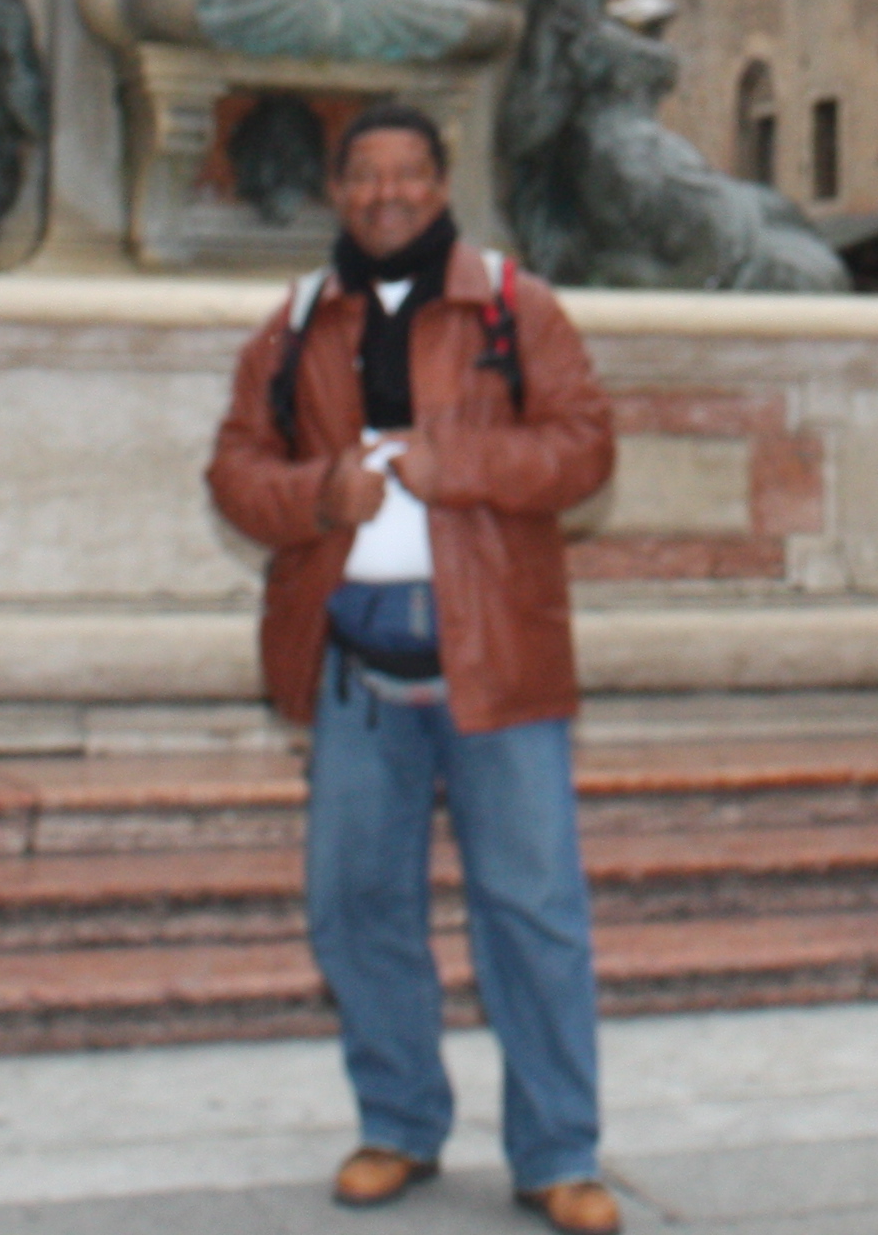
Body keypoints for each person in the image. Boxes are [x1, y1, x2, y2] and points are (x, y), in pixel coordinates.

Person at [204, 105, 621, 1231]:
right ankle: (397, 1123)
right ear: (339, 192)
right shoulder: (295, 322)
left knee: (530, 910)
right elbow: (236, 470)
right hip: (354, 666)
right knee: (357, 906)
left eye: (409, 174)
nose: (387, 194)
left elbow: (587, 444)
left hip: (495, 652)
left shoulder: (512, 304)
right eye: (366, 176)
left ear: (442, 183)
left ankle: (560, 1153)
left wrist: (465, 464)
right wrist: (314, 496)